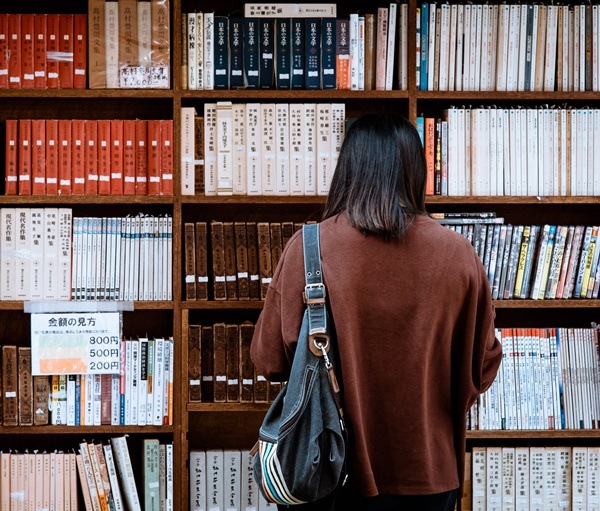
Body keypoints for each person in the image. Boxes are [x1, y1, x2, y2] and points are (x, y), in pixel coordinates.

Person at [250, 113, 502, 511]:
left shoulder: (308, 247)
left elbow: (269, 361)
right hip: (430, 473)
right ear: (415, 172)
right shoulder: (458, 255)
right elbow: (483, 367)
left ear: (347, 169)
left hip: (328, 471)